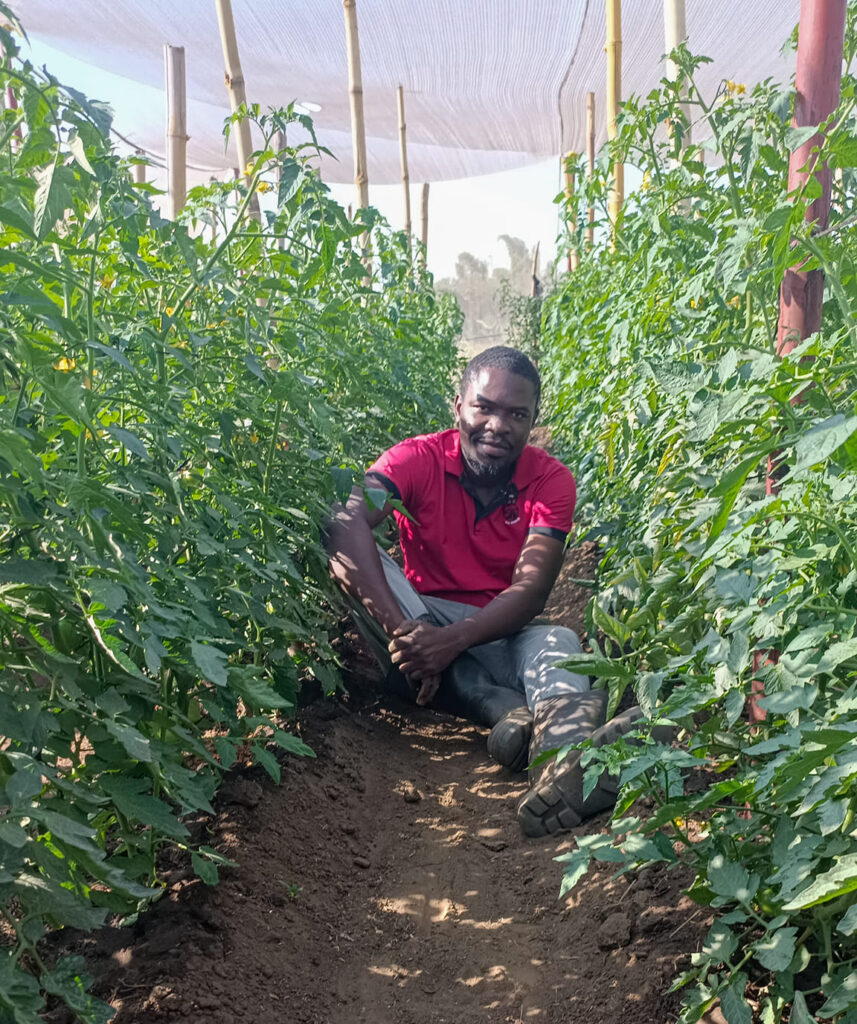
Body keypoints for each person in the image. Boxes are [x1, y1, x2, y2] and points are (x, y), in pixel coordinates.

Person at [325, 346, 646, 837]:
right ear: (459, 407)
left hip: (494, 626)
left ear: (534, 420)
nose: (498, 424)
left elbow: (532, 591)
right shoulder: (415, 458)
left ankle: (560, 767)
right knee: (363, 557)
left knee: (558, 642)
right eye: (485, 408)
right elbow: (346, 523)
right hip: (417, 616)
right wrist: (408, 639)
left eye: (516, 414)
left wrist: (451, 643)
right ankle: (504, 710)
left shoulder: (551, 480)